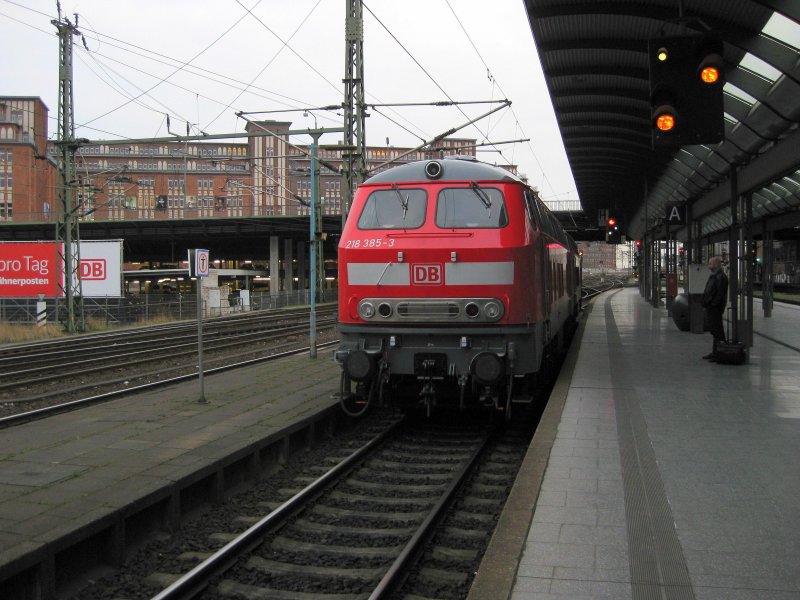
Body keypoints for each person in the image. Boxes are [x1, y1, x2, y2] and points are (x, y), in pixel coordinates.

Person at [702, 256, 728, 361]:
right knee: (714, 330)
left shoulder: (720, 277)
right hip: (711, 307)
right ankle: (715, 352)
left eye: (710, 263)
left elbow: (720, 294)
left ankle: (720, 353)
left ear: (715, 264)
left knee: (718, 331)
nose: (708, 265)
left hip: (715, 308)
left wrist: (713, 305)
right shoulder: (715, 275)